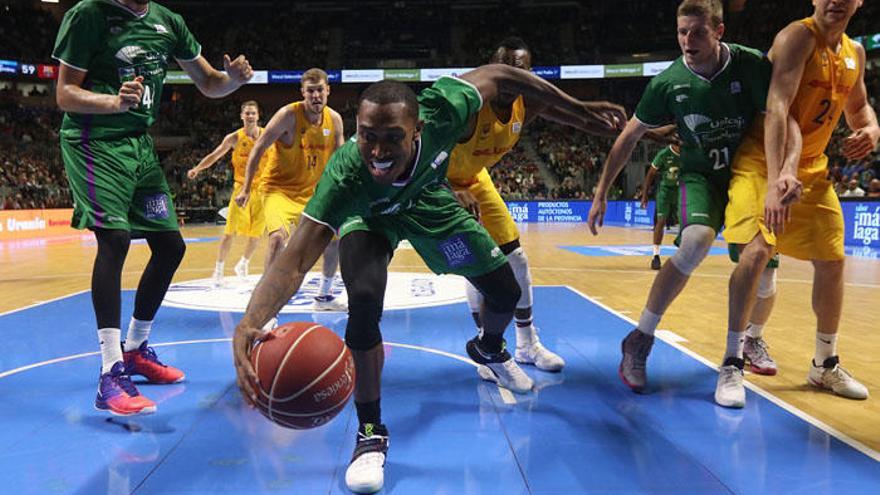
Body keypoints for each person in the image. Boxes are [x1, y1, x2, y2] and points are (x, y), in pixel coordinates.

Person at [233, 66, 626, 494]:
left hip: (427, 205)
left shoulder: (445, 108)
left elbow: (504, 74)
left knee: (505, 292)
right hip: (370, 220)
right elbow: (293, 262)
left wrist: (578, 107)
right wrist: (248, 323)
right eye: (367, 135)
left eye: (392, 138)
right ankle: (369, 434)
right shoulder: (345, 176)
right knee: (363, 303)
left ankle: (488, 347)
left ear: (419, 128)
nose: (378, 151)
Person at [587, 0, 798, 408]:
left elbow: (783, 115)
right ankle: (639, 339)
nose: (688, 40)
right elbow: (628, 137)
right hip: (701, 176)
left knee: (764, 265)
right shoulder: (668, 82)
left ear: (719, 31)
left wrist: (787, 167)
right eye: (682, 32)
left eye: (698, 31)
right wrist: (600, 194)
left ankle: (752, 339)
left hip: (747, 171)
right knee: (695, 241)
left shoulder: (751, 64)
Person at [53, 0, 253, 415]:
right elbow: (64, 93)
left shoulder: (169, 21)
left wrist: (232, 80)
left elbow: (211, 83)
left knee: (170, 247)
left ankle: (135, 349)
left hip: (139, 146)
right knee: (115, 240)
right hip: (94, 142)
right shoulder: (89, 15)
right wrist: (112, 103)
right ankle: (109, 373)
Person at [723, 0, 875, 402]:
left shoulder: (854, 53)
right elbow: (777, 109)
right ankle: (732, 362)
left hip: (811, 169)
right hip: (763, 160)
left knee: (832, 260)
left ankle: (824, 365)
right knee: (756, 252)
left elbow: (859, 110)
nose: (837, 1)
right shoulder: (797, 37)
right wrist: (777, 180)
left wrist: (872, 130)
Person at [448, 37, 568, 374]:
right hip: (439, 181)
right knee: (477, 264)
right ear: (492, 71)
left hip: (475, 178)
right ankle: (487, 344)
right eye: (507, 70)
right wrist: (449, 188)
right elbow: (423, 152)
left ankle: (527, 343)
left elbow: (574, 116)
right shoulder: (470, 102)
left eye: (522, 71)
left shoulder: (526, 105)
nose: (514, 78)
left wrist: (639, 130)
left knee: (516, 257)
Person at [235, 68, 346, 314]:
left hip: (313, 193)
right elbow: (258, 149)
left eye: (320, 90)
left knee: (333, 240)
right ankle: (264, 304)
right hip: (279, 190)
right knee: (276, 239)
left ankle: (325, 296)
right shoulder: (288, 115)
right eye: (311, 91)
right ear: (303, 92)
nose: (316, 95)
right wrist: (245, 188)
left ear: (328, 90)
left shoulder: (335, 120)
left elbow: (341, 161)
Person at [187, 101, 271, 287]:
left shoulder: (268, 135)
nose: (250, 116)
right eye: (247, 113)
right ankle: (218, 270)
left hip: (263, 190)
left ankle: (243, 264)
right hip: (241, 189)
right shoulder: (233, 138)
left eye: (253, 113)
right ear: (241, 116)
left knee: (257, 234)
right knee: (229, 232)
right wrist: (198, 168)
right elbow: (215, 155)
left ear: (258, 116)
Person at [641, 144, 682, 270]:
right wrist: (645, 195)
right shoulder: (663, 154)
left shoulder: (688, 152)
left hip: (681, 190)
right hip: (665, 191)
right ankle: (656, 255)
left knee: (686, 221)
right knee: (661, 221)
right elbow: (650, 174)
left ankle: (683, 253)